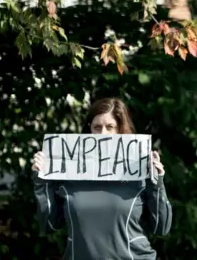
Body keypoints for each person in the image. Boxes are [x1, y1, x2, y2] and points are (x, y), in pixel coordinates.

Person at [31, 97, 172, 260]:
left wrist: (157, 182)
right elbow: (50, 224)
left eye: (110, 127)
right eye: (97, 127)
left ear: (121, 130)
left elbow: (162, 227)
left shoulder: (139, 171)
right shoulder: (69, 172)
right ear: (89, 129)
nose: (102, 134)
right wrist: (42, 181)